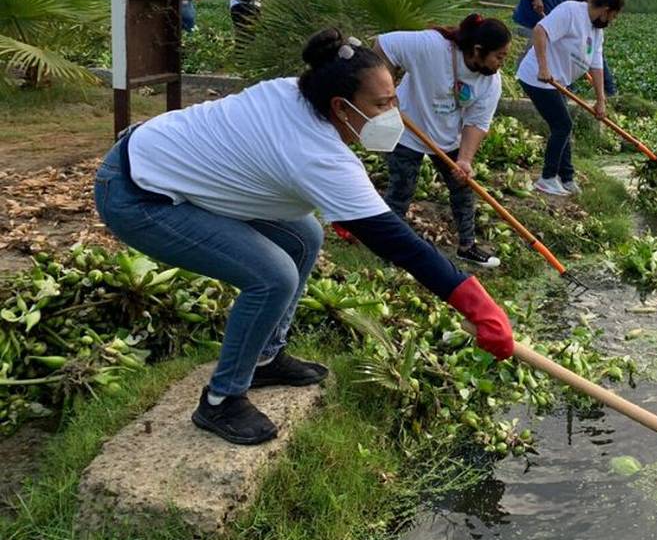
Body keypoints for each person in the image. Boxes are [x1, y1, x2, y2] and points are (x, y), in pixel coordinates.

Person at [92, 29, 514, 446]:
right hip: (140, 193)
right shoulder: (316, 154)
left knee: (306, 235)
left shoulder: (297, 92)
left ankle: (265, 357)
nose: (394, 112)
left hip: (174, 165)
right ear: (340, 106)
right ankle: (221, 399)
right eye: (382, 104)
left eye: (394, 97)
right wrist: (478, 306)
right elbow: (402, 246)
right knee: (273, 277)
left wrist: (355, 213)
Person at [374, 14, 511, 269]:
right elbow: (383, 45)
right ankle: (386, 251)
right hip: (406, 131)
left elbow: (477, 123)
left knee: (463, 189)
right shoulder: (433, 47)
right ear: (477, 51)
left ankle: (467, 246)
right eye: (499, 56)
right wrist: (385, 94)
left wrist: (465, 160)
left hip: (449, 137)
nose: (501, 64)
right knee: (401, 192)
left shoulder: (491, 82)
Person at [517, 0, 625, 197]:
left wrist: (601, 101)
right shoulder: (570, 11)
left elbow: (596, 66)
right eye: (612, 17)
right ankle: (547, 178)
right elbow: (540, 31)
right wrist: (543, 67)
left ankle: (567, 178)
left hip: (559, 83)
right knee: (562, 125)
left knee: (563, 126)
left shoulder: (597, 31)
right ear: (605, 10)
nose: (611, 21)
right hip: (538, 78)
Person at [566, 0, 617, 97]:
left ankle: (609, 93)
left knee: (592, 56)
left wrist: (600, 99)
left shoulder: (576, 4)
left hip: (584, 26)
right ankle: (570, 90)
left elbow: (597, 64)